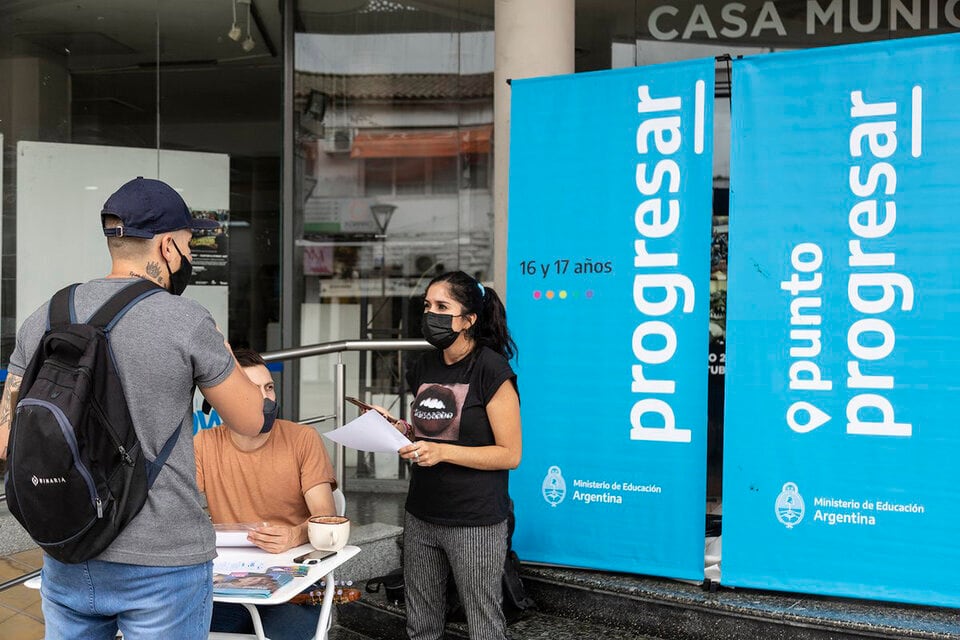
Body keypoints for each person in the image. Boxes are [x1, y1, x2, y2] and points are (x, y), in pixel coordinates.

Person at [0, 177, 268, 640]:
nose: (188, 258)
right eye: (187, 246)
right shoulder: (185, 319)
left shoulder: (45, 315)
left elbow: (7, 438)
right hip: (163, 559)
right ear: (167, 246)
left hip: (69, 548)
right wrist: (221, 353)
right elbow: (251, 422)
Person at [373, 270, 522, 640]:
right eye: (427, 306)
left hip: (474, 519)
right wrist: (399, 429)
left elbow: (510, 454)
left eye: (442, 306)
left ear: (469, 319)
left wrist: (443, 452)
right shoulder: (424, 365)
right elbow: (430, 430)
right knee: (421, 623)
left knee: (483, 624)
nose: (431, 314)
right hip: (421, 513)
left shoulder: (491, 369)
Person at [195, 347, 338, 640]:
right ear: (226, 400)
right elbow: (177, 510)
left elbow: (326, 517)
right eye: (252, 390)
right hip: (227, 581)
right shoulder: (204, 443)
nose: (266, 398)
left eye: (269, 387)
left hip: (294, 579)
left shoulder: (302, 439)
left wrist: (294, 535)